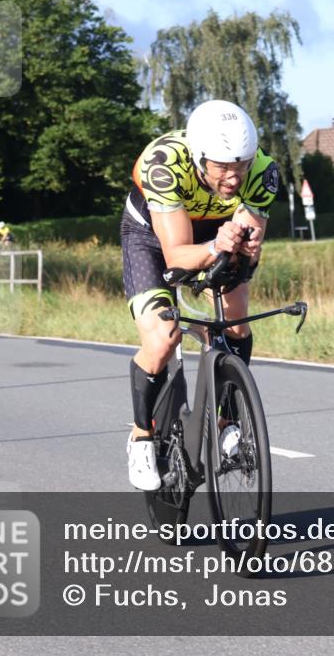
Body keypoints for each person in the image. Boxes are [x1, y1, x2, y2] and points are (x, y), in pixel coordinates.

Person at [122, 99, 278, 490]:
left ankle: (227, 421)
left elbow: (246, 239)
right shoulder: (164, 164)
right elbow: (176, 255)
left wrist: (243, 247)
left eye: (240, 165)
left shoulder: (263, 173)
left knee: (236, 320)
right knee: (161, 338)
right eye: (223, 166)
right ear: (198, 157)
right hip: (154, 235)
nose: (233, 177)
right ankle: (142, 435)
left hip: (215, 229)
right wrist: (214, 248)